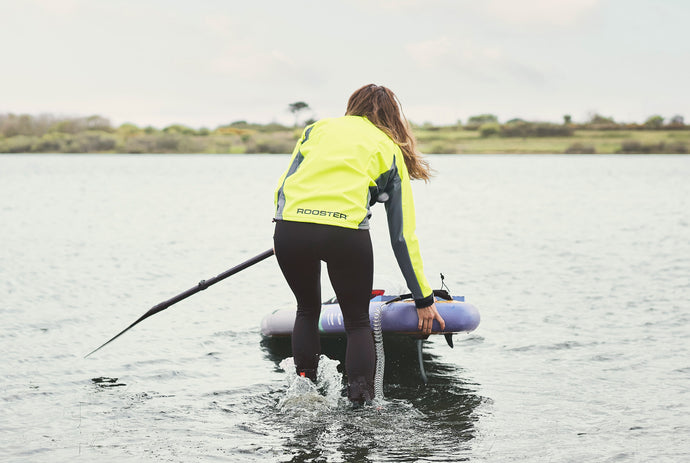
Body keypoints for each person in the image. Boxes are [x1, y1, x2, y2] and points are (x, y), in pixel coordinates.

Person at [273, 84, 445, 405]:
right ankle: (360, 404)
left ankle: (304, 395)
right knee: (357, 322)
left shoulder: (317, 129)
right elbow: (402, 236)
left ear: (353, 106)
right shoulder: (390, 147)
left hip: (290, 228)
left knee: (307, 310)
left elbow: (285, 185)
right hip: (344, 234)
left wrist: (294, 226)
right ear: (393, 116)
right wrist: (423, 298)